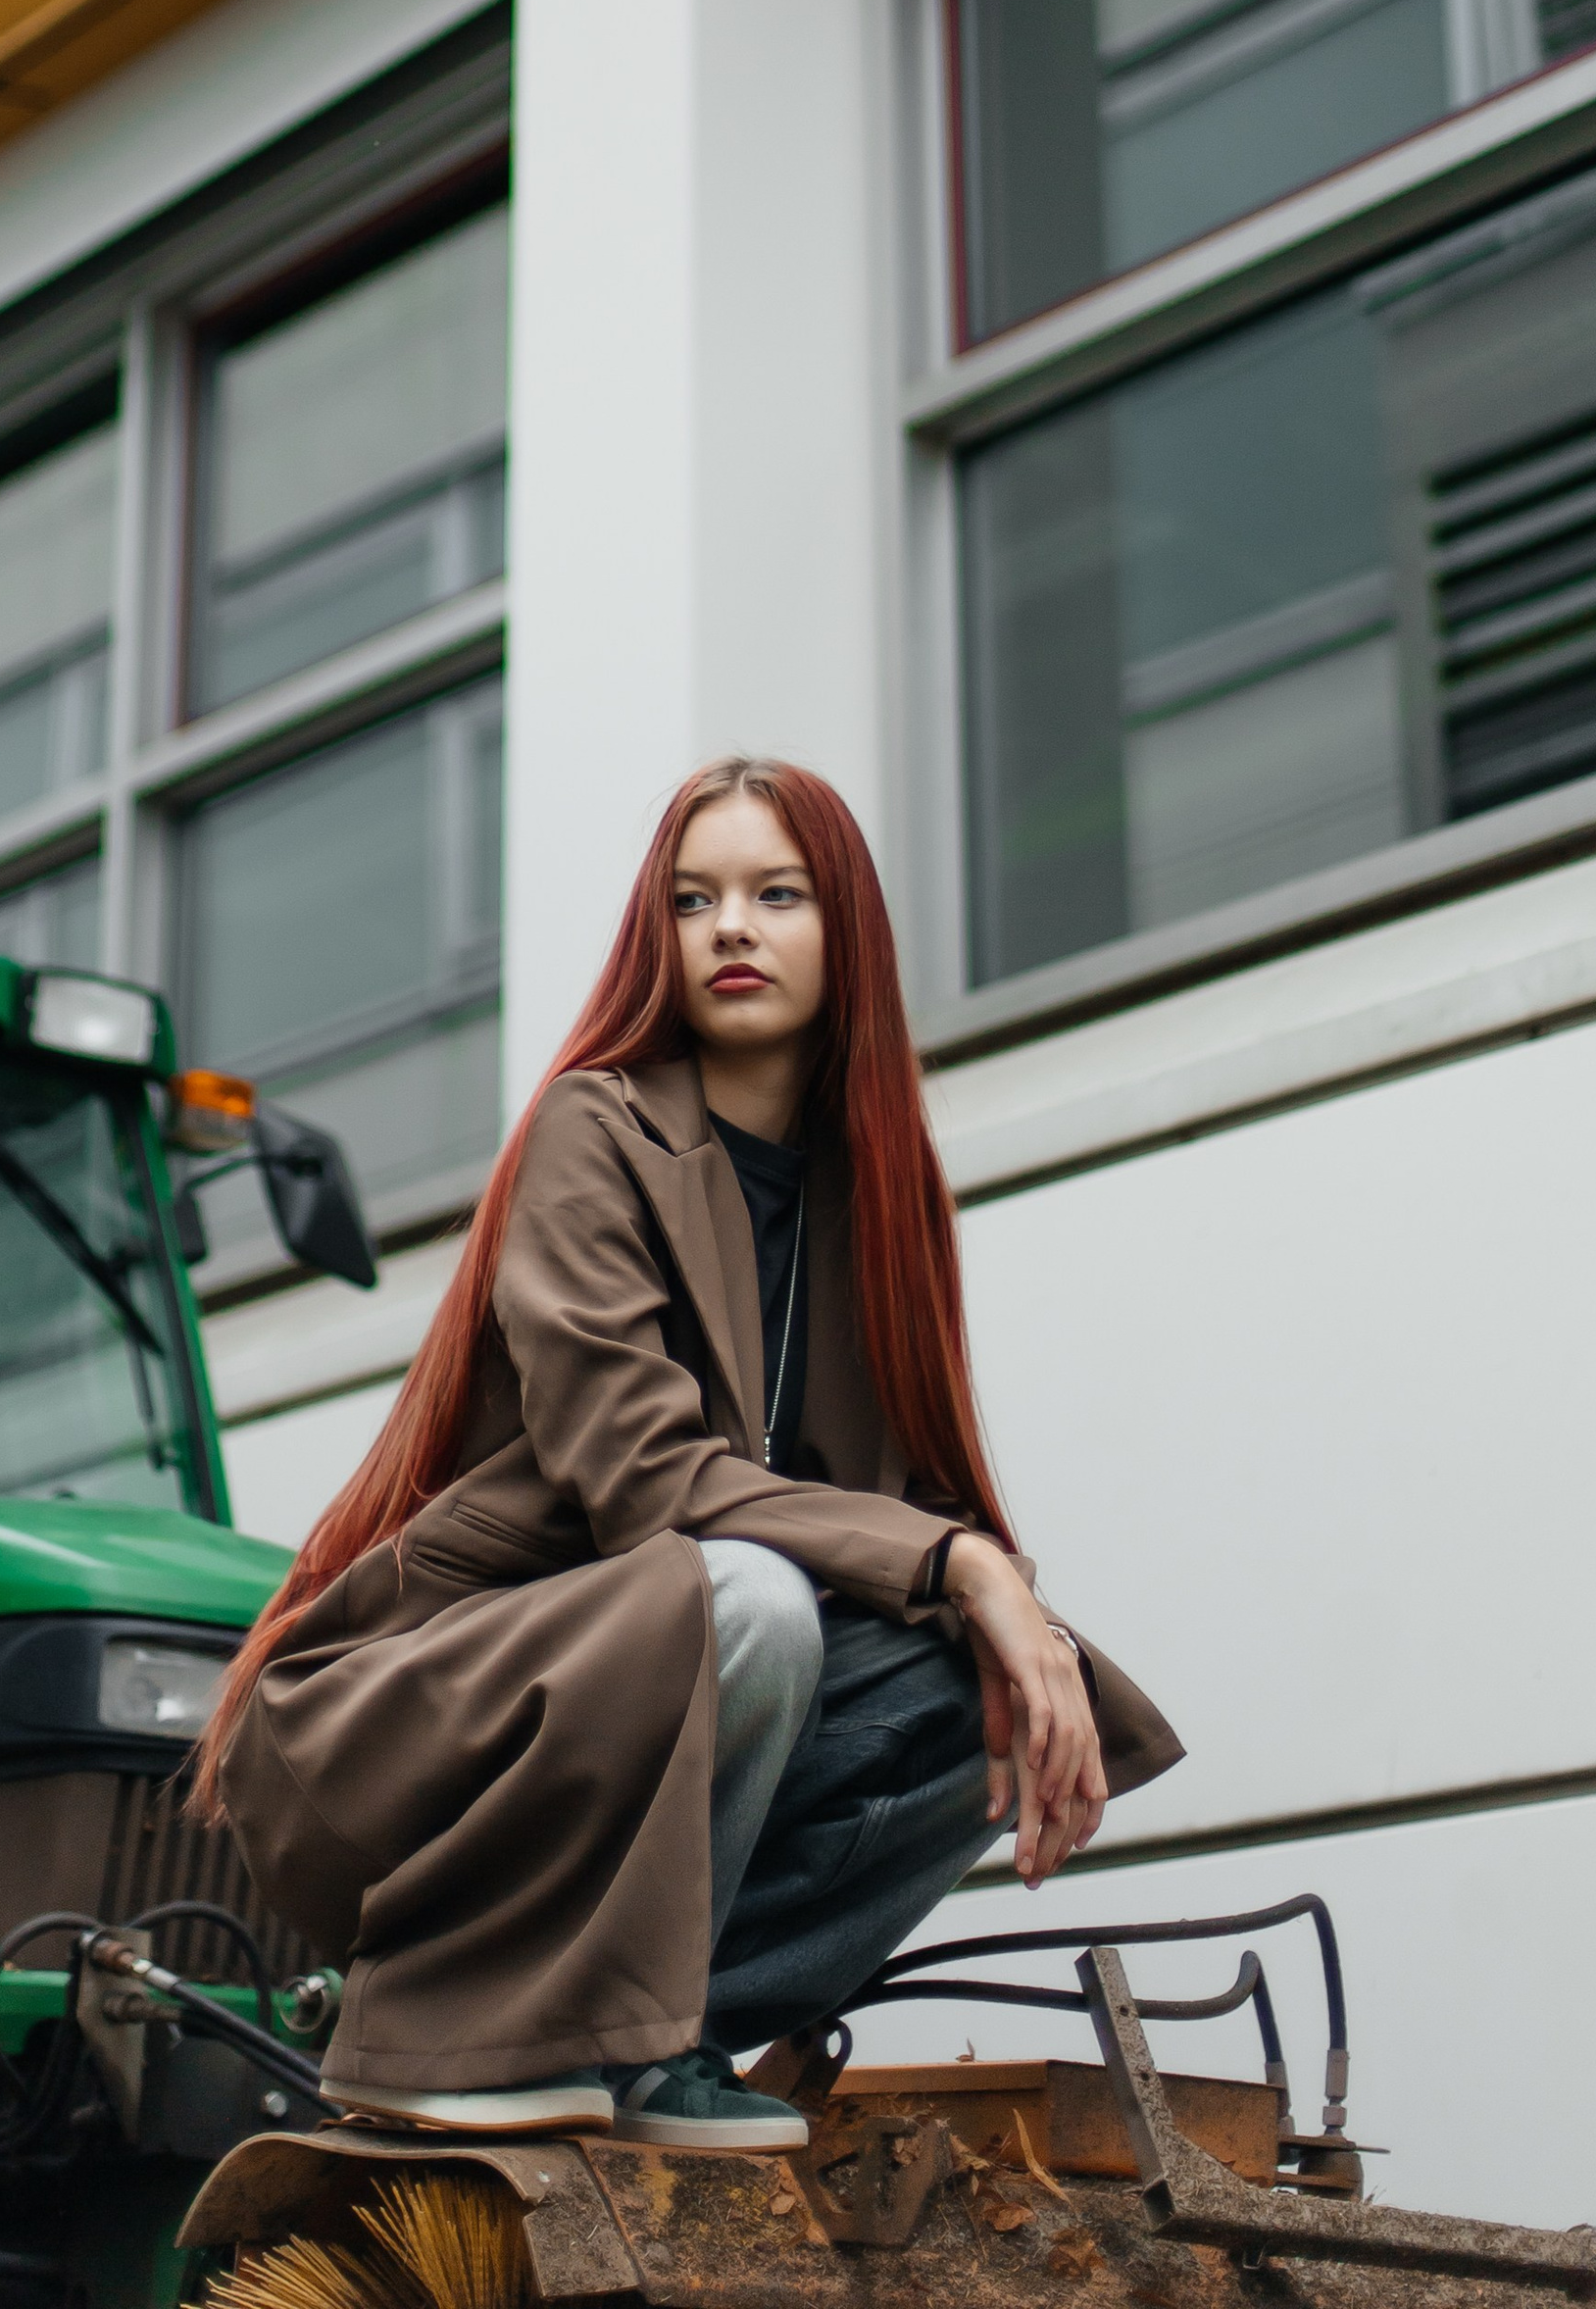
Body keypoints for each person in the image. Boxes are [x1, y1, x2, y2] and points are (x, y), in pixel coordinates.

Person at [195, 755, 1179, 2149]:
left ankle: (663, 2038)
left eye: (778, 894)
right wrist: (969, 1566)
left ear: (845, 929)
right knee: (753, 1602)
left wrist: (1014, 1622)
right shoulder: (593, 1127)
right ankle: (479, 2028)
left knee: (979, 1693)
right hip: (434, 1712)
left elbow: (897, 1500)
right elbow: (645, 1482)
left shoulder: (873, 1196)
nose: (731, 929)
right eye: (693, 899)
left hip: (651, 1687)